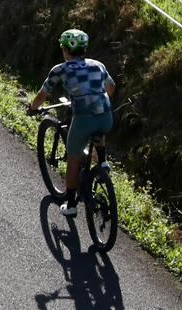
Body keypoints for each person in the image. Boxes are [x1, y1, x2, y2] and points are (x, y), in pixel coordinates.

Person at [27, 29, 116, 217]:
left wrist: (33, 108)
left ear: (65, 50)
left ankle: (71, 204)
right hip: (106, 116)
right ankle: (103, 162)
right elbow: (111, 87)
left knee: (73, 158)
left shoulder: (60, 69)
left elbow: (44, 94)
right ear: (84, 49)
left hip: (84, 119)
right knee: (98, 130)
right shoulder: (97, 65)